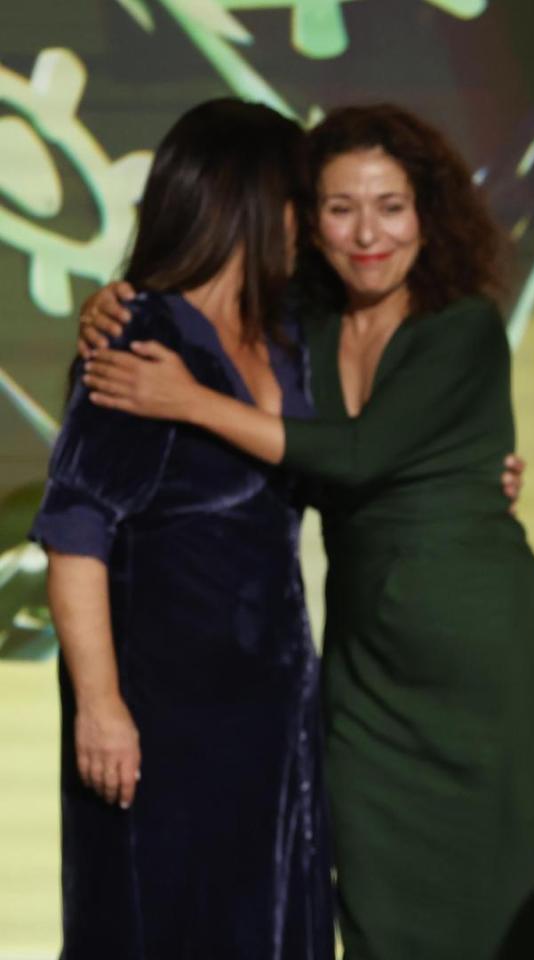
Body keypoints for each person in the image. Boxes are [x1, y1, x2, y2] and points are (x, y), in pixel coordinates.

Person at [79, 105, 534, 960]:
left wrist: (188, 402)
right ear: (308, 222)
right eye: (341, 208)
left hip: (486, 668)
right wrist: (113, 303)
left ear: (428, 214)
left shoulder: (463, 327)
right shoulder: (302, 330)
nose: (367, 234)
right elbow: (237, 372)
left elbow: (356, 455)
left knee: (512, 903)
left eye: (390, 207)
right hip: (364, 676)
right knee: (378, 898)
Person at [32, 99, 333, 958]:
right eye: (299, 199)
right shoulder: (142, 332)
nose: (312, 223)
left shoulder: (291, 335)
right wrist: (100, 706)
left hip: (273, 712)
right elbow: (76, 533)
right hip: (162, 717)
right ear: (252, 202)